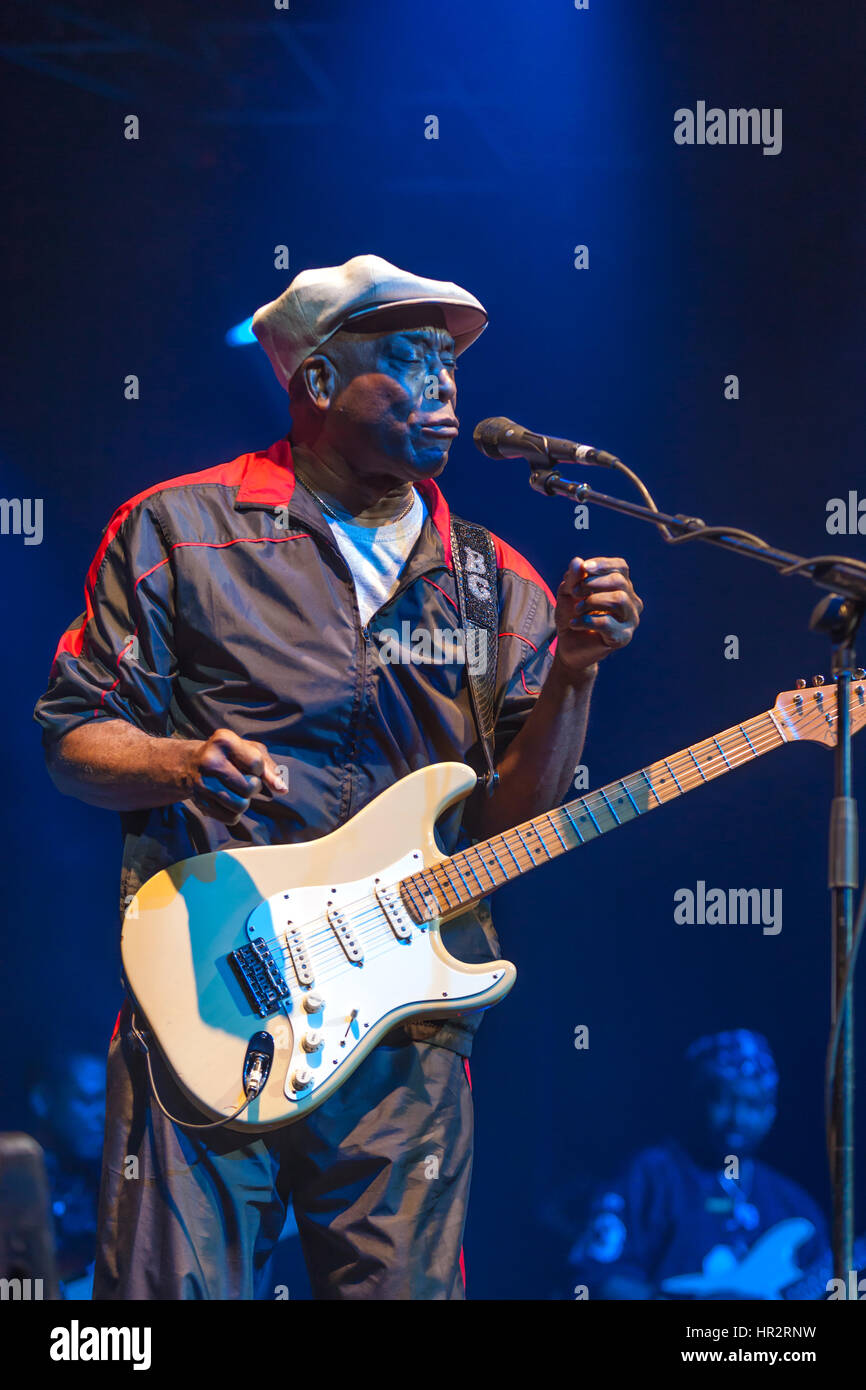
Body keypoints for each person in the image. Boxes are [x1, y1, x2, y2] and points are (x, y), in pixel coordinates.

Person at [33, 253, 643, 1300]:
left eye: (448, 361)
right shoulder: (180, 532)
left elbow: (507, 822)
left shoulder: (495, 583)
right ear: (316, 383)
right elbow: (73, 735)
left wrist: (574, 680)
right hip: (212, 998)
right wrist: (179, 760)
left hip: (407, 1024)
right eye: (407, 359)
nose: (444, 383)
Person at [569, 1029, 828, 1300]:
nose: (737, 1118)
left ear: (771, 1112)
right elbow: (595, 1279)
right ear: (697, 1099)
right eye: (723, 1100)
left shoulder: (794, 1206)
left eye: (753, 1104)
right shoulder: (650, 1176)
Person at [26, 1050, 106, 1298]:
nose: (102, 1114)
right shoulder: (15, 1182)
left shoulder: (117, 1170)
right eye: (88, 1100)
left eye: (108, 1099)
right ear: (43, 1100)